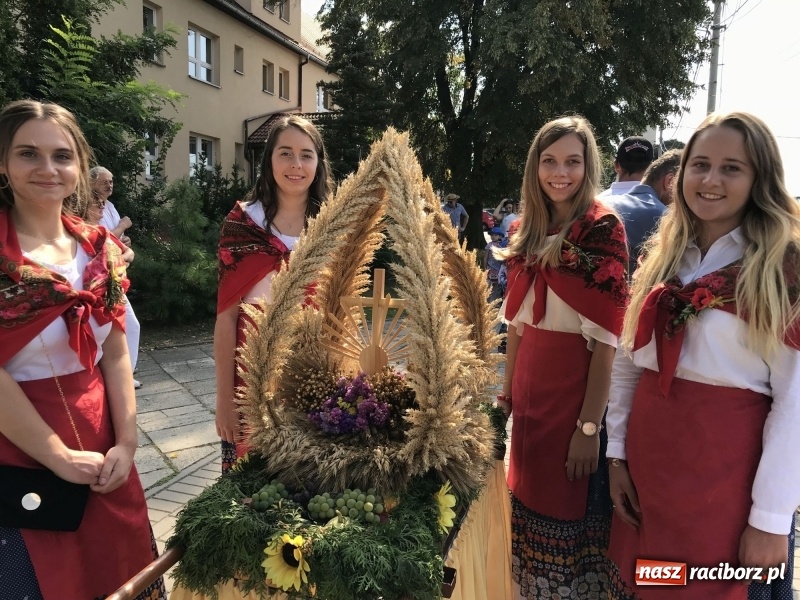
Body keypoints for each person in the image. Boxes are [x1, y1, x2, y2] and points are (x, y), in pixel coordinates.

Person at [605, 112, 800, 600]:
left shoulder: (783, 271)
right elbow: (628, 364)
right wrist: (616, 455)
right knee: (652, 581)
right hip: (650, 469)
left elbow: (795, 405)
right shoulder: (664, 257)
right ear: (681, 173)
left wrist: (770, 520)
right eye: (700, 165)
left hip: (724, 480)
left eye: (731, 168)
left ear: (759, 179)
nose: (711, 180)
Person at [0, 100, 165, 599]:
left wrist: (127, 443)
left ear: (79, 166)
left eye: (62, 156)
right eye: (28, 153)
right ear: (3, 162)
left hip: (104, 444)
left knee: (123, 573)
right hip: (19, 447)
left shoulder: (98, 249)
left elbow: (115, 352)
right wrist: (57, 456)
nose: (47, 168)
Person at [497, 115, 629, 597]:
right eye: (549, 161)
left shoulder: (603, 230)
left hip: (574, 395)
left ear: (588, 166)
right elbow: (517, 329)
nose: (560, 173)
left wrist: (588, 429)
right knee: (523, 513)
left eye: (572, 162)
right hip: (530, 398)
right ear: (534, 167)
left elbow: (607, 342)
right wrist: (505, 398)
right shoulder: (526, 231)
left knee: (567, 519)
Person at [215, 114, 333, 473]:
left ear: (318, 164)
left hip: (313, 376)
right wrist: (224, 400)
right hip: (251, 375)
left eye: (306, 155)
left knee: (308, 484)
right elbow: (226, 319)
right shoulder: (241, 225)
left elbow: (341, 315)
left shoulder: (334, 228)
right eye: (285, 153)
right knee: (250, 485)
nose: (296, 164)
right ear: (269, 160)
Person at [90, 165, 142, 389]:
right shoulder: (86, 210)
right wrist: (122, 226)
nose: (109, 185)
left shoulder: (109, 205)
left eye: (111, 181)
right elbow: (103, 238)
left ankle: (124, 373)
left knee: (128, 326)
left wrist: (124, 245)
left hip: (113, 276)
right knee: (111, 330)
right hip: (97, 281)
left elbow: (119, 243)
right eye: (104, 182)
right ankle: (116, 376)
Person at [484, 226, 506, 302]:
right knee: (490, 286)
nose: (493, 237)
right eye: (492, 235)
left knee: (498, 285)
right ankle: (490, 301)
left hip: (499, 269)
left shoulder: (502, 246)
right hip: (491, 269)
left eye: (495, 235)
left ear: (500, 236)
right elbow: (485, 257)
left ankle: (496, 301)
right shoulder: (489, 245)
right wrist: (485, 268)